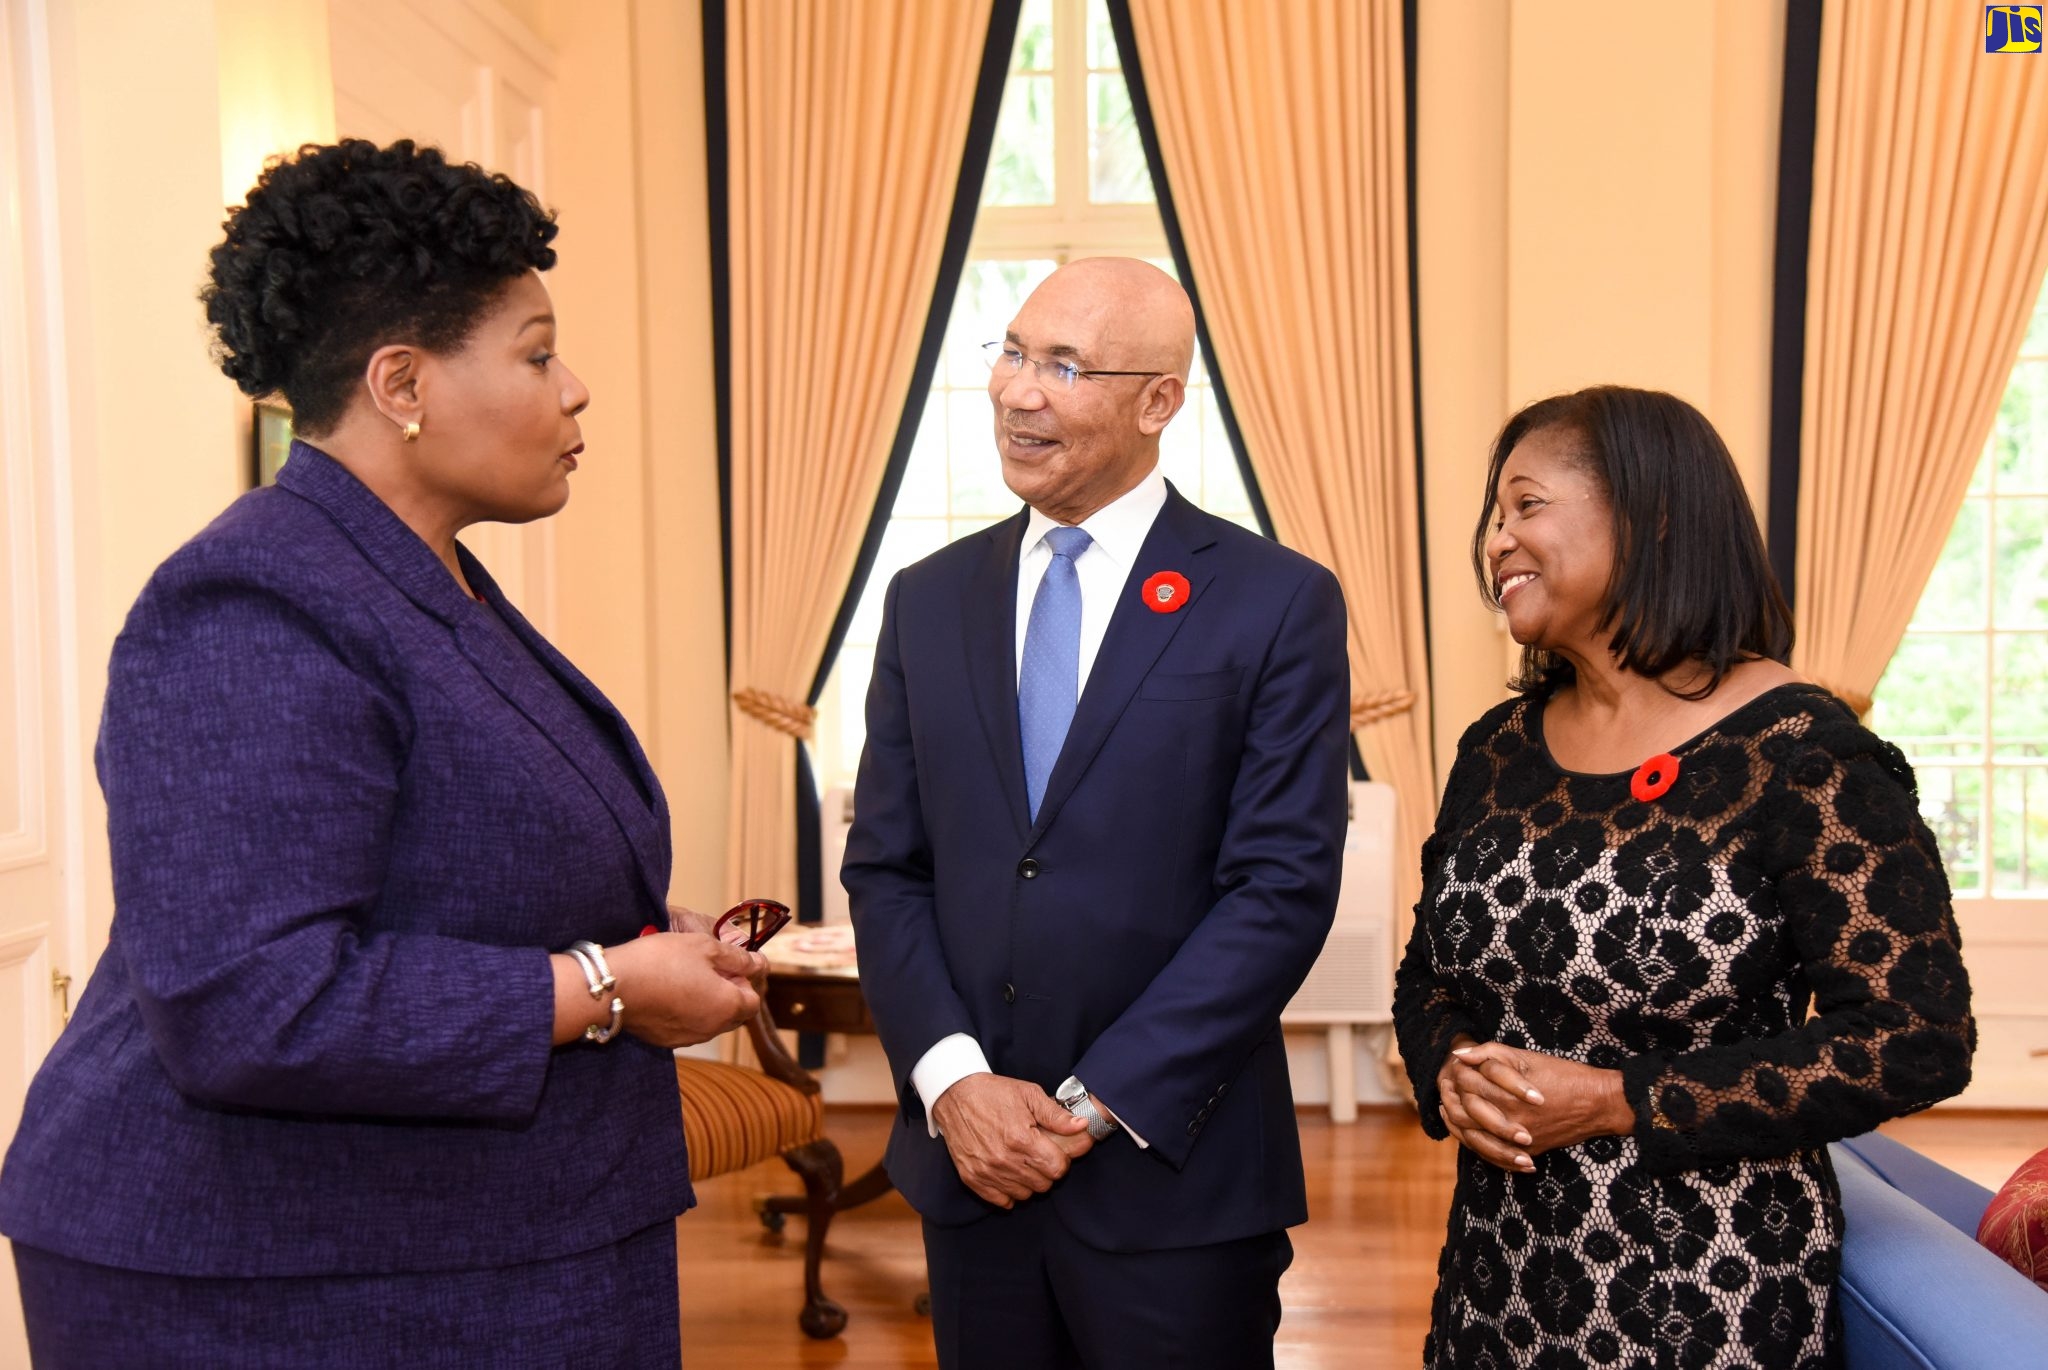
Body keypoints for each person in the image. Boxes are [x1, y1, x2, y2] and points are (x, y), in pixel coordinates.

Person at [0, 139, 766, 1367]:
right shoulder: (252, 600)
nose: (574, 388)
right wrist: (609, 985)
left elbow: (457, 862)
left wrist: (632, 941)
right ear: (402, 381)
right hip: (277, 1273)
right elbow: (252, 998)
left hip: (460, 1230)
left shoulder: (419, 574)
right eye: (534, 352)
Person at [1393, 385, 1976, 1370]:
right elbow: (1427, 975)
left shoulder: (1799, 751)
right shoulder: (1494, 749)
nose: (1494, 542)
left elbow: (1913, 1035)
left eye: (1524, 505)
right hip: (1497, 1279)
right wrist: (1446, 1063)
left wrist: (1623, 1098)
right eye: (1491, 519)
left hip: (1709, 1288)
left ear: (1649, 512)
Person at [842, 257, 1350, 1370]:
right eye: (1013, 352)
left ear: (1157, 400)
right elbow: (886, 868)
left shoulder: (1272, 599)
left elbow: (1277, 887)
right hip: (970, 1171)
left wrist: (1094, 1101)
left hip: (1173, 1171)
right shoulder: (925, 600)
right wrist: (951, 1080)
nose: (1019, 391)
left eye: (1063, 366)